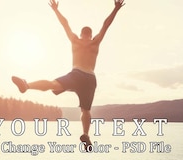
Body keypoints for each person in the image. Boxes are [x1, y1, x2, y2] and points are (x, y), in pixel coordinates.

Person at [12, 0, 125, 150]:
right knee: (86, 110)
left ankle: (27, 85)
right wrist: (116, 9)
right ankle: (86, 134)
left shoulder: (75, 41)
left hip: (76, 75)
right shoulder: (95, 42)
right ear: (91, 35)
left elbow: (65, 24)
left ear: (80, 34)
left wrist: (56, 10)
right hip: (90, 79)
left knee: (53, 84)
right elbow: (106, 25)